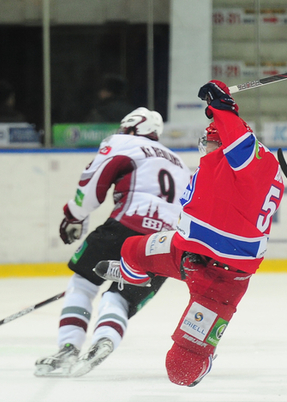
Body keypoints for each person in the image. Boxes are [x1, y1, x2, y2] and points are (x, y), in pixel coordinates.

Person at [73, 80, 284, 385]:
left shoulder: (252, 161)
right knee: (131, 249)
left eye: (210, 142)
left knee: (181, 370)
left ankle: (204, 357)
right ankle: (133, 274)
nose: (205, 148)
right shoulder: (226, 165)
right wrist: (220, 114)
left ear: (224, 143)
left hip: (223, 278)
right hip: (184, 250)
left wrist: (223, 107)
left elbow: (239, 142)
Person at [34, 107, 192, 377]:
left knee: (82, 285)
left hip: (124, 228)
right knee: (120, 298)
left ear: (132, 127)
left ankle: (68, 349)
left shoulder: (123, 142)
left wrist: (74, 215)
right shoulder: (180, 163)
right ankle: (105, 340)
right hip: (166, 244)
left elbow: (93, 183)